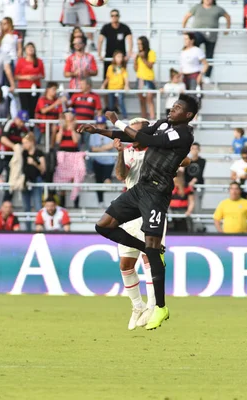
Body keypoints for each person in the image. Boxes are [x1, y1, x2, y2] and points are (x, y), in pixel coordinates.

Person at [79, 94, 200, 330]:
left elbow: (148, 140)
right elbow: (131, 137)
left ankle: (161, 308)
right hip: (140, 188)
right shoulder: (164, 124)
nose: (171, 109)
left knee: (153, 254)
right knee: (103, 225)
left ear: (187, 115)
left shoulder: (184, 134)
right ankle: (147, 249)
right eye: (172, 105)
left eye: (177, 108)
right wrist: (98, 131)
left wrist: (116, 121)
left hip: (157, 194)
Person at [111, 117, 160, 330]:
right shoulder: (129, 152)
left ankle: (152, 305)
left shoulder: (158, 150)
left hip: (150, 209)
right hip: (130, 209)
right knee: (125, 264)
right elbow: (121, 175)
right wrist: (120, 152)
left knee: (149, 257)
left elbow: (185, 161)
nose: (132, 134)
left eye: (136, 131)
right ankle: (137, 306)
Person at [181, 0, 231, 85]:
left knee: (209, 56)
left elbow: (227, 17)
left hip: (211, 36)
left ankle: (207, 76)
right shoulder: (197, 7)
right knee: (194, 49)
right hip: (198, 33)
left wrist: (227, 29)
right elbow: (186, 16)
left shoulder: (217, 9)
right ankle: (193, 70)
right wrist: (184, 29)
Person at [53, 110, 85, 208]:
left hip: (74, 154)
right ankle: (63, 203)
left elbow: (75, 141)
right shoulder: (60, 127)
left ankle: (76, 202)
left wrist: (71, 129)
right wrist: (62, 128)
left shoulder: (77, 128)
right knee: (62, 178)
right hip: (63, 154)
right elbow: (58, 140)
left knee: (75, 177)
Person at [0, 110, 30, 201]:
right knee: (10, 178)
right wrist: (14, 147)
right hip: (7, 156)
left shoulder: (24, 129)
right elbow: (3, 138)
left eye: (24, 122)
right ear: (16, 118)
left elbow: (27, 142)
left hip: (19, 157)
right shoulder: (10, 124)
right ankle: (6, 201)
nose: (22, 123)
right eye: (21, 121)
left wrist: (21, 148)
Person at [89, 116, 116, 208]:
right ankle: (100, 201)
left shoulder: (110, 133)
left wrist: (99, 148)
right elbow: (93, 149)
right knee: (98, 181)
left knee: (106, 181)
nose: (100, 126)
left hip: (109, 161)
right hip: (97, 161)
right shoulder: (93, 135)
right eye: (99, 124)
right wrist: (104, 148)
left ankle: (111, 202)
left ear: (105, 124)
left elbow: (111, 146)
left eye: (102, 124)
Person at [98, 9, 133, 79]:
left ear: (119, 16)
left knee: (120, 77)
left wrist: (128, 55)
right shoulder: (106, 27)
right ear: (110, 17)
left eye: (116, 15)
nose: (114, 17)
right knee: (108, 76)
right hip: (109, 56)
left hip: (120, 58)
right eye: (112, 15)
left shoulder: (124, 28)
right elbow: (100, 41)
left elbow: (130, 41)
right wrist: (99, 54)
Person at [21, 133, 45, 229]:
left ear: (31, 142)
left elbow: (43, 169)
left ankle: (39, 227)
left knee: (38, 205)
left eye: (26, 143)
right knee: (26, 207)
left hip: (36, 180)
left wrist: (34, 163)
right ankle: (28, 229)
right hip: (26, 181)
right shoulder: (23, 153)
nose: (24, 145)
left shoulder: (39, 153)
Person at [15, 42, 45, 118]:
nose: (31, 49)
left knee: (33, 107)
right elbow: (16, 76)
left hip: (35, 87)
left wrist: (36, 77)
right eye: (29, 48)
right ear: (25, 50)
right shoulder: (21, 61)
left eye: (32, 48)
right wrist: (26, 77)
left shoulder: (39, 61)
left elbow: (43, 75)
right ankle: (25, 126)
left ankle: (31, 126)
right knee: (24, 107)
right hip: (23, 87)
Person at [101, 50, 129, 118]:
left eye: (121, 57)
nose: (120, 58)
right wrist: (103, 85)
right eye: (118, 57)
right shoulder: (110, 67)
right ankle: (111, 118)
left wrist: (126, 85)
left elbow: (126, 78)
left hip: (120, 88)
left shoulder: (123, 68)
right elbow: (108, 78)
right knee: (111, 105)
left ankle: (125, 117)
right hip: (111, 88)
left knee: (121, 103)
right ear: (114, 58)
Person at [135, 36, 156, 120]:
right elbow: (136, 69)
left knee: (149, 99)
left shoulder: (151, 52)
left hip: (148, 78)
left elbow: (150, 66)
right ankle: (143, 119)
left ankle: (152, 118)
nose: (139, 45)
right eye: (138, 44)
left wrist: (143, 58)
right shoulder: (138, 54)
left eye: (140, 44)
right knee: (141, 100)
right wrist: (135, 60)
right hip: (140, 79)